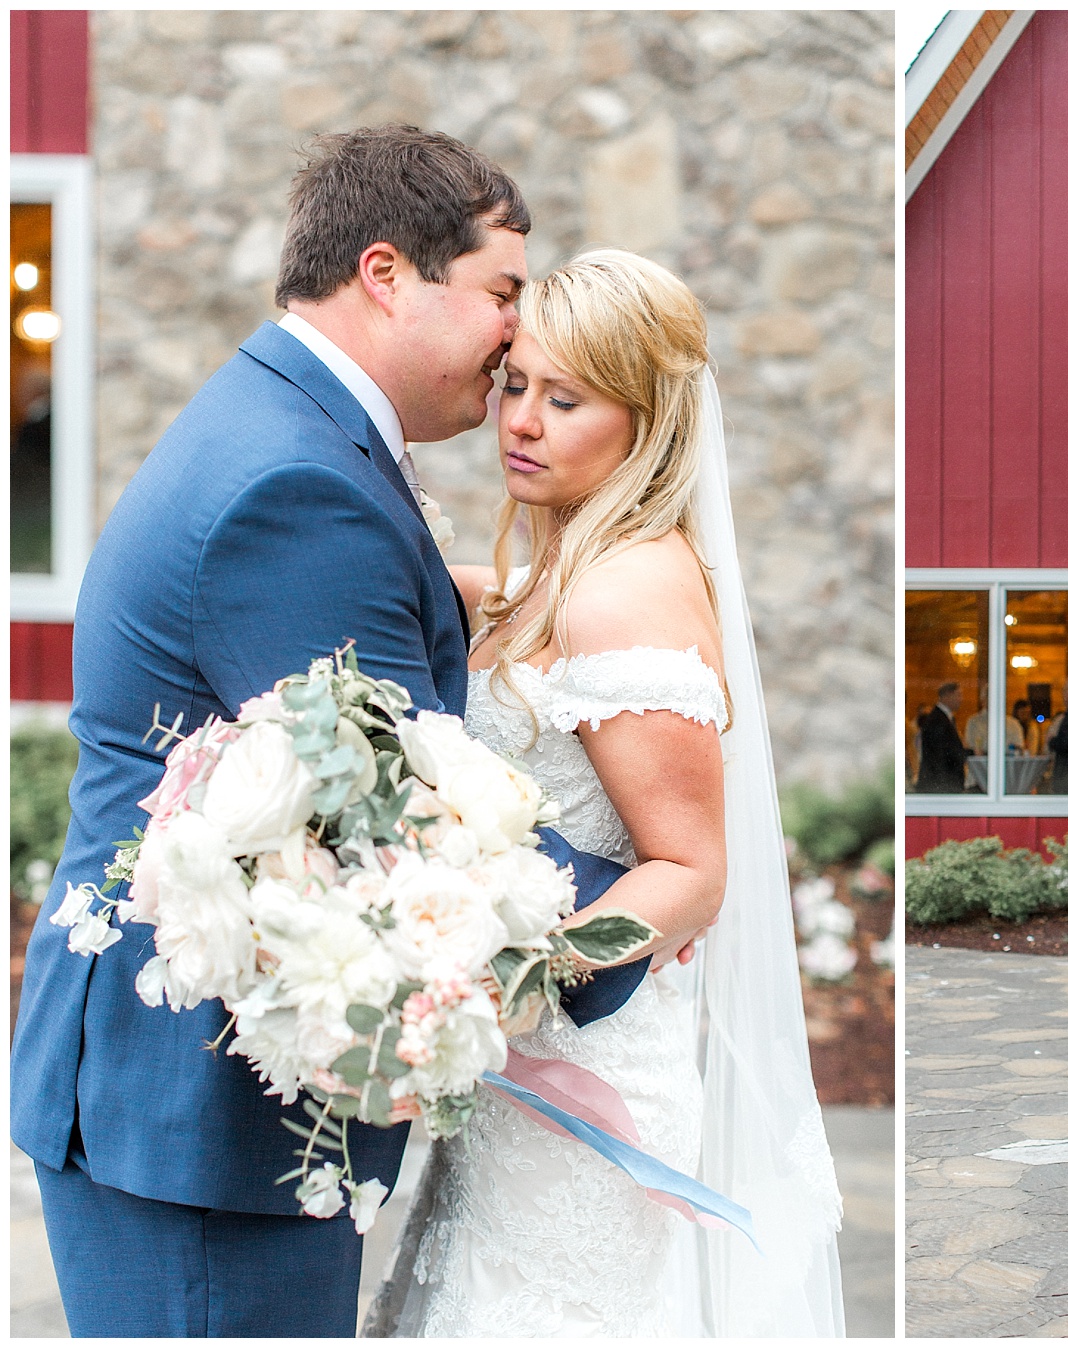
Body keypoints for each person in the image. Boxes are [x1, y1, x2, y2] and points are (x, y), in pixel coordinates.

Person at [6, 126, 657, 1337]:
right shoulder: (297, 489)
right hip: (200, 1130)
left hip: (194, 1109)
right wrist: (666, 896)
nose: (517, 334)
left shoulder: (285, 425)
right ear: (386, 274)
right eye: (502, 293)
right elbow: (408, 825)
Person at [371, 250, 843, 1336]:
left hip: (587, 1079)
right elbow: (526, 614)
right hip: (521, 1075)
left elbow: (691, 875)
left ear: (645, 421)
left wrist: (505, 981)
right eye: (518, 384)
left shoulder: (624, 591)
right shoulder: (574, 571)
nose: (521, 422)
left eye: (566, 399)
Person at [915, 681, 969, 792]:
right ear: (947, 696)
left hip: (942, 783)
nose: (961, 699)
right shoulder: (937, 721)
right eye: (958, 695)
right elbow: (943, 754)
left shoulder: (943, 718)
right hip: (940, 784)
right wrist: (970, 753)